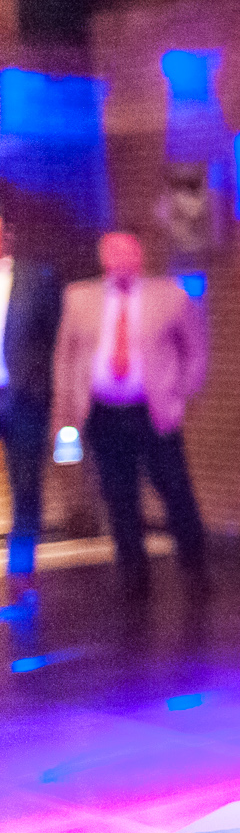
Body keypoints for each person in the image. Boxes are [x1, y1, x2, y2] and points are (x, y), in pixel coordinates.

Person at [54, 232, 209, 603]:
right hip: (103, 412)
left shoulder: (169, 296)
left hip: (151, 412)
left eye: (127, 254)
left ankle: (195, 567)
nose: (121, 261)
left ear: (139, 257)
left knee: (174, 488)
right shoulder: (79, 298)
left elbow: (196, 349)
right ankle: (133, 577)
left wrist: (179, 393)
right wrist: (68, 408)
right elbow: (66, 356)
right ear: (104, 259)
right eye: (113, 255)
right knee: (118, 496)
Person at [0, 204, 61, 576]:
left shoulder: (35, 278)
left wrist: (44, 389)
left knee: (26, 486)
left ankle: (22, 573)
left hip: (23, 398)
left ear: (7, 232)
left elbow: (54, 339)